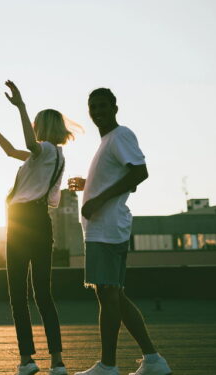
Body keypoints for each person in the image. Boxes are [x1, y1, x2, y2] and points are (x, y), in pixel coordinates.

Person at [72, 88, 172, 375]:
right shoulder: (108, 140)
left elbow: (139, 172)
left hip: (106, 228)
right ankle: (153, 361)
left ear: (115, 107)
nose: (97, 111)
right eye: (93, 106)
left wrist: (98, 199)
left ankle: (108, 365)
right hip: (108, 228)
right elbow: (124, 176)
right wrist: (88, 184)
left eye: (102, 105)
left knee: (107, 294)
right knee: (114, 294)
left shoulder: (120, 135)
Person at [0, 81, 73, 375]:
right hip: (41, 222)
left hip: (23, 221)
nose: (33, 127)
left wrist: (20, 106)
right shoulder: (53, 155)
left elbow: (26, 145)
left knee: (18, 294)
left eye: (35, 123)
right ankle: (57, 360)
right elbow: (12, 150)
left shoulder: (45, 149)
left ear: (42, 126)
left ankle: (27, 359)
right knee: (43, 294)